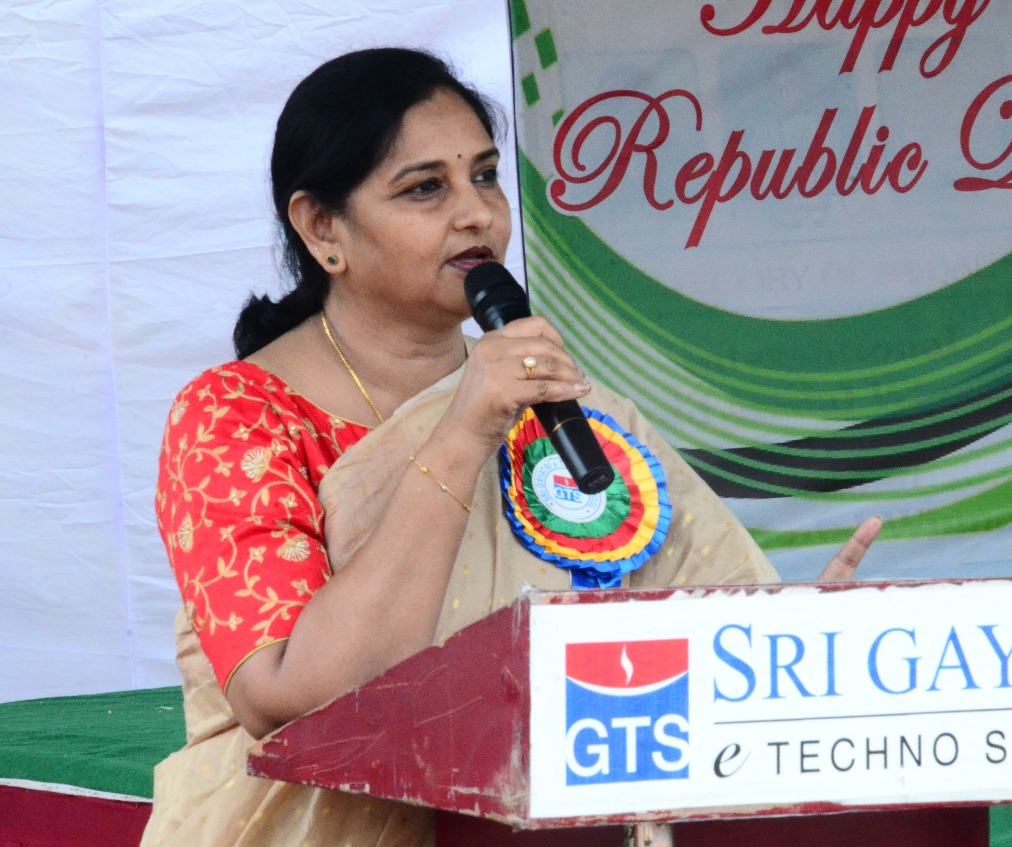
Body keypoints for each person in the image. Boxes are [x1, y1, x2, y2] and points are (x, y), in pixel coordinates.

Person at [142, 47, 880, 847]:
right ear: (324, 227)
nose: (479, 215)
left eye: (485, 176)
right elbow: (288, 693)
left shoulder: (558, 407)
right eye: (425, 188)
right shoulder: (239, 418)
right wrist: (462, 431)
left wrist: (786, 648)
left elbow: (684, 639)